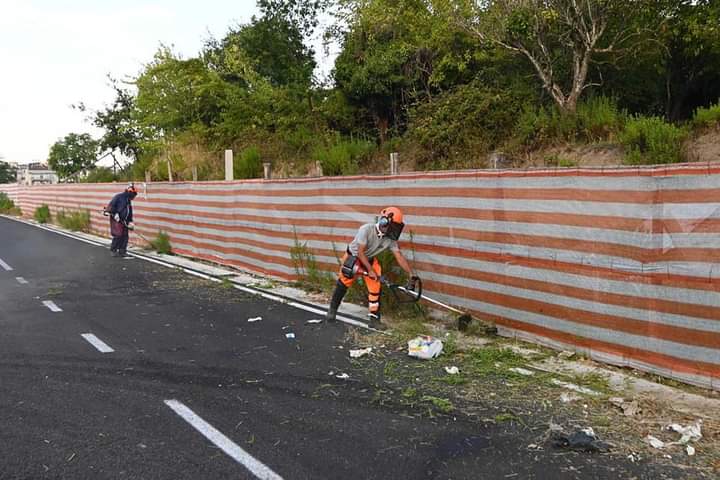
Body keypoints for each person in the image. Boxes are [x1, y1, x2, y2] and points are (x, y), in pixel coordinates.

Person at [325, 207, 418, 329]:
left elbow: (399, 256)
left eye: (397, 227)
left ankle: (374, 320)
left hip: (369, 260)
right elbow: (360, 252)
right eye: (393, 226)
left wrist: (411, 274)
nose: (394, 230)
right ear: (384, 221)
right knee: (343, 283)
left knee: (375, 289)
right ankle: (332, 310)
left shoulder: (390, 239)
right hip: (353, 257)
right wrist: (370, 270)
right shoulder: (366, 229)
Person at [106, 183, 137, 257]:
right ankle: (113, 250)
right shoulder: (118, 197)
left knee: (125, 236)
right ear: (129, 193)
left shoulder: (128, 200)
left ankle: (122, 251)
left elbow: (129, 211)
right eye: (133, 195)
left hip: (125, 220)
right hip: (116, 219)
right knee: (118, 235)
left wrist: (130, 221)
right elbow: (111, 206)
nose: (134, 197)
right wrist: (115, 214)